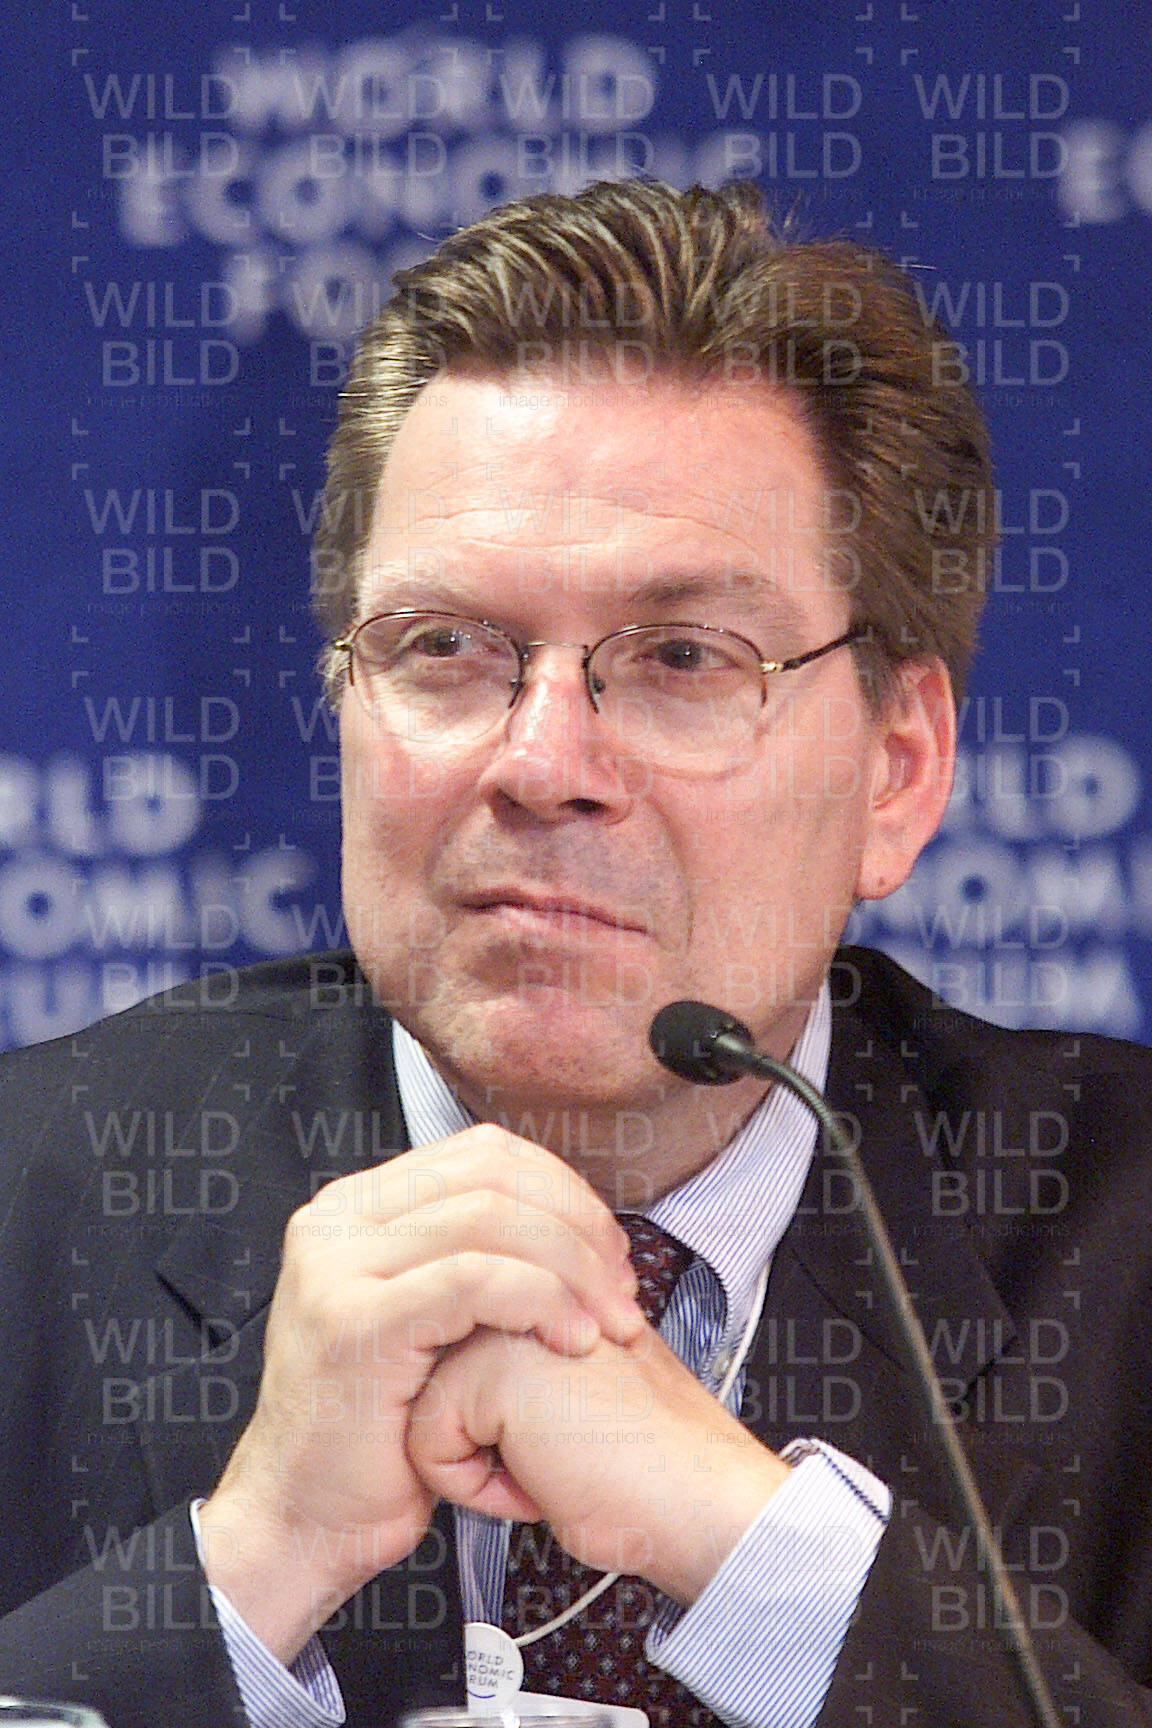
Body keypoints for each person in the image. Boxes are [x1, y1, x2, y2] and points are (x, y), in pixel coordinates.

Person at [0, 180, 1148, 1728]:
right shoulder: (29, 1210)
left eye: (681, 657)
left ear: (897, 772)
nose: (543, 763)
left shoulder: (1122, 1249)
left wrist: (758, 1556)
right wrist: (248, 1571)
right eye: (447, 647)